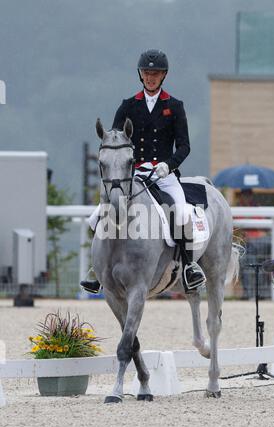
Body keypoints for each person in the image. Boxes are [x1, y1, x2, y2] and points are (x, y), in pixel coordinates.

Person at [81, 49, 205, 293]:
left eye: (155, 73)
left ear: (163, 76)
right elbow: (114, 141)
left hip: (164, 175)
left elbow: (184, 146)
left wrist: (168, 165)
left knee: (181, 214)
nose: (150, 77)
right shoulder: (128, 106)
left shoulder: (174, 106)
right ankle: (98, 270)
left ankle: (190, 267)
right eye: (147, 73)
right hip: (132, 174)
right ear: (141, 75)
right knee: (99, 216)